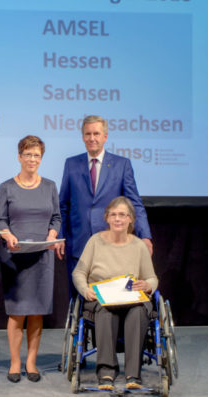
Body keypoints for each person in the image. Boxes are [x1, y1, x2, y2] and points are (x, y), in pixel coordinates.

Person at [56, 115, 153, 296]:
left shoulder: (122, 165)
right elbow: (63, 205)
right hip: (78, 243)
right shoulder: (71, 164)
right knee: (78, 298)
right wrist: (59, 235)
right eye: (88, 134)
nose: (92, 138)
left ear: (105, 137)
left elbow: (135, 204)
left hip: (112, 245)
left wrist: (145, 236)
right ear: (83, 137)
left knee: (114, 298)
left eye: (96, 134)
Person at [72, 196, 158, 390]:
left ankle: (133, 375)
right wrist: (85, 289)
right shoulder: (95, 241)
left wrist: (147, 285)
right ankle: (106, 374)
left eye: (122, 215)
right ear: (107, 218)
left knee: (138, 312)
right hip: (101, 297)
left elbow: (152, 278)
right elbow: (79, 272)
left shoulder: (138, 246)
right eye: (113, 215)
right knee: (106, 310)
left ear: (130, 219)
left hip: (131, 297)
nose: (118, 219)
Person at [0, 136, 61, 383]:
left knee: (36, 313)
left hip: (42, 257)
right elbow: (1, 219)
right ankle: (15, 363)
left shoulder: (50, 186)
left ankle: (31, 362)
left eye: (37, 155)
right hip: (15, 256)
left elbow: (56, 217)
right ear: (19, 157)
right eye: (28, 154)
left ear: (41, 159)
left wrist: (53, 234)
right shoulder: (6, 187)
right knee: (17, 313)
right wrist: (7, 234)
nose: (32, 159)